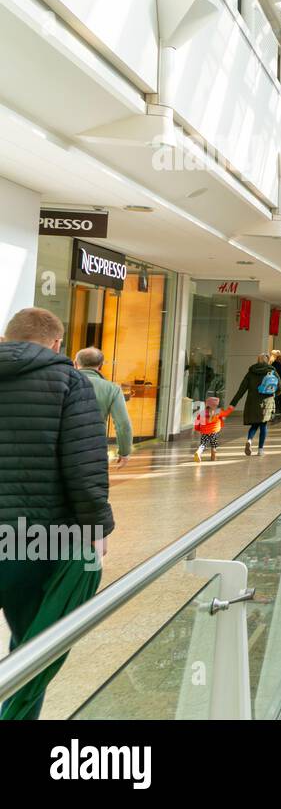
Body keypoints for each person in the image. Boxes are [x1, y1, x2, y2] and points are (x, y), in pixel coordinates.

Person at [0, 307, 114, 720]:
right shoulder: (69, 381)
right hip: (33, 539)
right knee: (31, 644)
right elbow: (83, 467)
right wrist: (98, 530)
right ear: (56, 343)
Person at [74, 347, 132, 468]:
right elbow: (123, 424)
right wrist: (124, 452)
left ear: (75, 363)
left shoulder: (62, 382)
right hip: (94, 448)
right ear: (100, 366)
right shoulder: (112, 389)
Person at [230, 352, 278, 456]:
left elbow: (241, 389)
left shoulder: (251, 372)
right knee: (263, 425)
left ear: (258, 360)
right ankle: (260, 450)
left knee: (255, 424)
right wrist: (274, 393)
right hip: (266, 402)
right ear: (268, 360)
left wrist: (233, 403)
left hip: (252, 402)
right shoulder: (272, 371)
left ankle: (249, 440)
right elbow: (279, 388)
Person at [192, 396, 233, 463]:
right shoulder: (218, 412)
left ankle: (198, 452)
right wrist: (230, 409)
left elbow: (197, 422)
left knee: (203, 444)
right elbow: (226, 413)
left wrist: (197, 429)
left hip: (204, 432)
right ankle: (213, 456)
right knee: (213, 444)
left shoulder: (202, 413)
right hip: (214, 431)